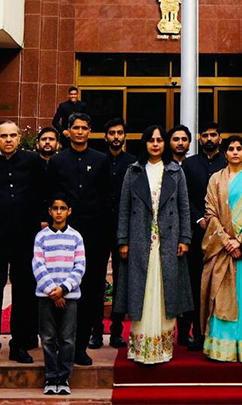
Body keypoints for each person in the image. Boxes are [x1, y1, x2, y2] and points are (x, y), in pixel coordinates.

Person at [113, 125, 192, 364]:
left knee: (165, 292)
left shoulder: (175, 171)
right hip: (140, 241)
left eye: (159, 140)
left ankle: (163, 348)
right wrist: (123, 241)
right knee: (143, 293)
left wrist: (185, 238)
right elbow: (124, 208)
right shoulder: (134, 171)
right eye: (151, 140)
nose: (155, 144)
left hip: (168, 242)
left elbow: (184, 207)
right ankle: (141, 348)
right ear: (145, 143)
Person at [0, 121, 46, 365]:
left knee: (24, 292)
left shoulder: (33, 162)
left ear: (19, 137)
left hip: (25, 238)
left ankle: (20, 345)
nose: (9, 139)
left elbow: (42, 193)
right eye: (4, 136)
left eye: (13, 135)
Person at [46, 111, 112, 364]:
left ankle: (80, 346)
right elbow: (50, 195)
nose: (80, 132)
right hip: (63, 237)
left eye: (84, 128)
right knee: (62, 290)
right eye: (76, 128)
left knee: (91, 290)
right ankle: (59, 344)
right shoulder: (57, 161)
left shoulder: (101, 160)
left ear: (89, 131)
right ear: (69, 131)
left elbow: (107, 196)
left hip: (94, 236)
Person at [200, 136, 242, 363]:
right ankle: (220, 348)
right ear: (225, 153)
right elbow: (210, 212)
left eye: (239, 148)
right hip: (222, 249)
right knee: (219, 295)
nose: (236, 152)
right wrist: (225, 241)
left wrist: (240, 241)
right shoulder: (216, 179)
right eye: (231, 149)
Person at [32, 195, 86, 397]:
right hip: (46, 296)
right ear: (50, 211)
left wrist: (63, 289)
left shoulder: (76, 237)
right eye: (55, 208)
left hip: (69, 297)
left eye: (63, 208)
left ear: (69, 211)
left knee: (67, 338)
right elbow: (38, 265)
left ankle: (63, 378)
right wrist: (52, 291)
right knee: (47, 338)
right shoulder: (41, 237)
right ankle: (51, 377)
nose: (59, 212)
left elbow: (80, 267)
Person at [179, 124, 225, 348]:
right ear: (199, 138)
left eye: (213, 135)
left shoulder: (227, 162)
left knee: (222, 284)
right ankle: (198, 333)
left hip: (224, 235)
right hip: (197, 233)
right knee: (198, 283)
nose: (209, 139)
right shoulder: (190, 164)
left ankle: (220, 334)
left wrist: (219, 224)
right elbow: (185, 196)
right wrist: (199, 219)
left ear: (220, 138)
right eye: (205, 135)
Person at [104, 119, 136, 347]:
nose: (116, 137)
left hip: (124, 230)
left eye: (120, 133)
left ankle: (116, 330)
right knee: (94, 279)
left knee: (121, 279)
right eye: (112, 133)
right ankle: (96, 331)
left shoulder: (133, 163)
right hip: (99, 228)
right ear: (106, 136)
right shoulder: (98, 161)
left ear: (125, 136)